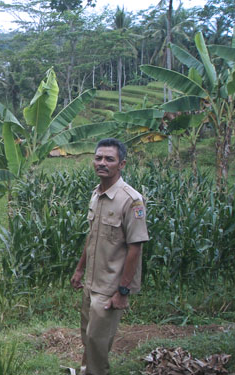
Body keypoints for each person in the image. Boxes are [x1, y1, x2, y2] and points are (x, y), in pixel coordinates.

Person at [70, 138, 149, 375]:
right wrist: (79, 269)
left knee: (98, 341)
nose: (102, 163)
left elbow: (135, 248)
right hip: (91, 281)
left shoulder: (131, 200)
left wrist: (123, 292)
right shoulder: (96, 195)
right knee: (88, 336)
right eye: (98, 158)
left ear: (121, 164)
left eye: (109, 159)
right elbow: (92, 236)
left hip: (110, 285)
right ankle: (87, 371)